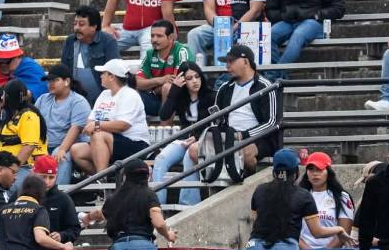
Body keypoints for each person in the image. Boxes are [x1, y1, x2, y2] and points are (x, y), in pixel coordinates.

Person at [243, 149, 350, 250]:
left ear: (274, 171)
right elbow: (317, 232)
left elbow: (254, 221)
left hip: (256, 247)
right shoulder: (303, 196)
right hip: (285, 249)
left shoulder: (260, 190)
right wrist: (338, 230)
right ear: (296, 172)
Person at [71, 59, 151, 175]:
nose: (100, 76)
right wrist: (94, 125)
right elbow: (90, 121)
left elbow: (123, 125)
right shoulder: (104, 94)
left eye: (103, 73)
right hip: (108, 140)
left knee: (98, 134)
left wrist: (97, 125)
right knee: (77, 150)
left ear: (111, 76)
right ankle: (107, 178)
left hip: (135, 144)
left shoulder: (130, 94)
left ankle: (101, 179)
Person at [210, 44, 281, 173]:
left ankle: (245, 187)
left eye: (231, 61)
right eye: (226, 62)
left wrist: (244, 135)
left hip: (259, 139)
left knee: (244, 153)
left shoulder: (265, 86)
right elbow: (215, 119)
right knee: (194, 150)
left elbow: (272, 122)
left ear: (245, 61)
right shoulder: (224, 88)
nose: (227, 66)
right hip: (229, 136)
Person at [152, 62, 214, 207]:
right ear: (183, 81)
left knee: (189, 158)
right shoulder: (180, 97)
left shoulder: (211, 96)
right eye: (189, 78)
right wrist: (174, 90)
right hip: (184, 139)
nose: (195, 81)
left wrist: (198, 137)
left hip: (204, 138)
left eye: (197, 77)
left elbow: (215, 122)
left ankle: (189, 204)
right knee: (160, 159)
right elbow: (164, 115)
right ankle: (157, 205)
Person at [37, 64, 91, 185]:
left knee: (60, 155)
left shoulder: (78, 101)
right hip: (44, 144)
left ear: (66, 81)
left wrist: (62, 149)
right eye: (49, 81)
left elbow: (75, 128)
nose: (51, 83)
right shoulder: (42, 99)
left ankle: (60, 192)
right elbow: (35, 124)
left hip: (69, 145)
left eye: (55, 80)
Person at [297, 152, 355, 250]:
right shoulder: (298, 196)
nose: (315, 174)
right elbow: (290, 230)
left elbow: (345, 230)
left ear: (328, 172)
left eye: (319, 169)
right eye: (311, 169)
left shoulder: (342, 197)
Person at [61, 6, 119, 103]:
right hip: (74, 99)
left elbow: (114, 72)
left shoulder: (108, 41)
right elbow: (63, 70)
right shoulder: (70, 41)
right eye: (75, 24)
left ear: (94, 26)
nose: (76, 28)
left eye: (81, 24)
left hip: (104, 99)